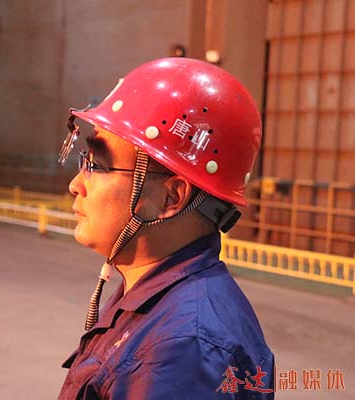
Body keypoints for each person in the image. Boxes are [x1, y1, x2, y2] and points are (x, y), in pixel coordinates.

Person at [57, 57, 275, 399]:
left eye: (96, 166)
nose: (75, 185)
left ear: (171, 197)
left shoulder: (185, 350)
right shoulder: (153, 299)